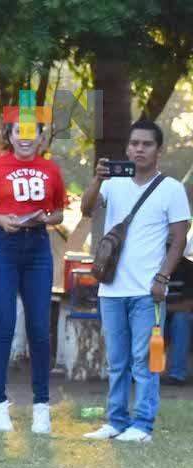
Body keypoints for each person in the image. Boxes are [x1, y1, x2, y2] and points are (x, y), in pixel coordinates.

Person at [81, 120, 190, 442]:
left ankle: (142, 425)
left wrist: (162, 277)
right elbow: (87, 210)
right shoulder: (114, 183)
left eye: (146, 144)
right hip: (111, 288)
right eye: (134, 144)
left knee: (144, 361)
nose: (139, 149)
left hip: (147, 290)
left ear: (159, 150)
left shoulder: (170, 188)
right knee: (116, 360)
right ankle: (115, 420)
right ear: (127, 148)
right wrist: (97, 179)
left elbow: (180, 239)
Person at [0, 120, 66, 434]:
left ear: (40, 137)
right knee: (5, 324)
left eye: (31, 134)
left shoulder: (50, 170)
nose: (24, 139)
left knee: (39, 327)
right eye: (17, 133)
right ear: (9, 137)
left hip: (37, 246)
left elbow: (59, 212)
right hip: (1, 246)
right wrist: (0, 220)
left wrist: (45, 218)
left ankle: (41, 407)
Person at [162, 255, 193, 386]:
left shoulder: (188, 269)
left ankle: (177, 374)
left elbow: (187, 306)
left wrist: (161, 308)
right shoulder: (150, 265)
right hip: (157, 319)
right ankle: (139, 373)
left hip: (181, 321)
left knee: (181, 319)